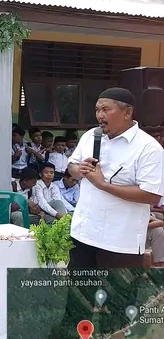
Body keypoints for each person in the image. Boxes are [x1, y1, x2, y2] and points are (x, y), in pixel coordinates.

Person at [67, 87, 164, 268]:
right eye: (97, 110)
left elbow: (151, 195)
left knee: (116, 297)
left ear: (127, 112)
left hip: (120, 242)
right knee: (77, 295)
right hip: (83, 233)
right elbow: (71, 166)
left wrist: (103, 185)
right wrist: (80, 170)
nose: (99, 115)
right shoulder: (90, 136)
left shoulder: (148, 148)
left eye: (106, 109)